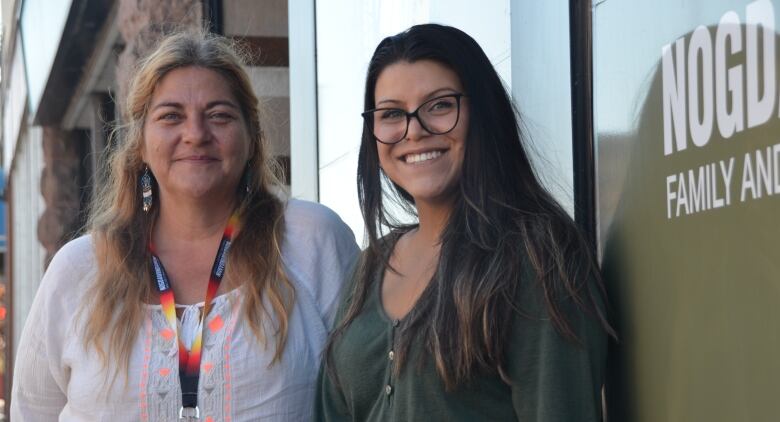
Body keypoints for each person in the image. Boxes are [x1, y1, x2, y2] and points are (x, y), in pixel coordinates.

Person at [11, 30, 359, 421]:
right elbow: (32, 412)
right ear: (140, 142)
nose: (195, 134)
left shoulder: (310, 241)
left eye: (219, 115)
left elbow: (368, 396)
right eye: (171, 116)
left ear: (251, 138)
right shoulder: (78, 270)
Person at [317, 23, 615, 421]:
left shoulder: (538, 258)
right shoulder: (370, 267)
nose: (415, 131)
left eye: (440, 105)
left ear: (483, 111)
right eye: (391, 114)